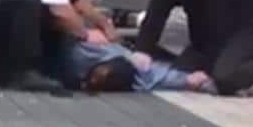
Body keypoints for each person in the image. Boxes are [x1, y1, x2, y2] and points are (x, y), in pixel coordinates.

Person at [56, 38, 217, 94]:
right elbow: (158, 77)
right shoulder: (139, 75)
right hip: (131, 63)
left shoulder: (83, 54)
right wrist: (191, 80)